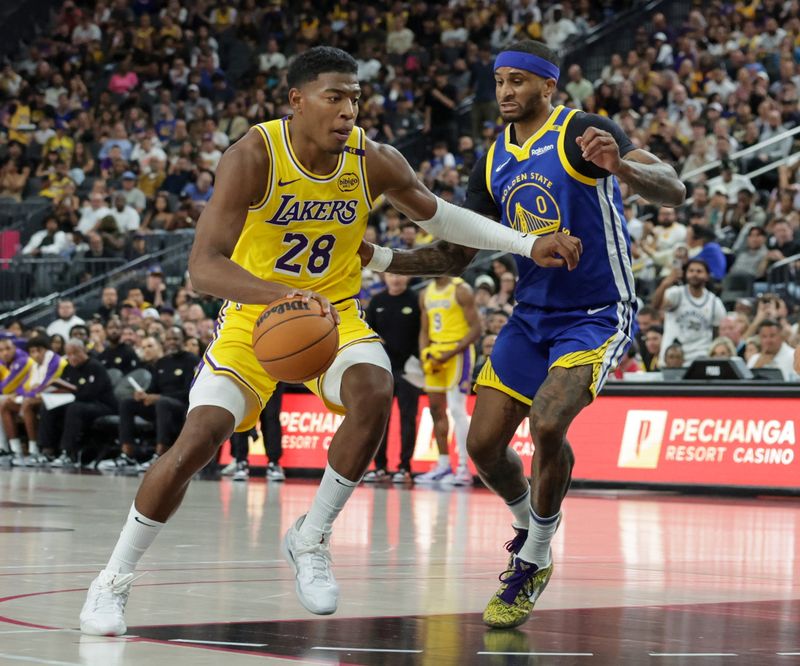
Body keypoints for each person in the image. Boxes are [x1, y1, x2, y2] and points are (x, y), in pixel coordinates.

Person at [79, 46, 579, 637]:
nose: (348, 110)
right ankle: (111, 580)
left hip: (335, 313)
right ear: (297, 101)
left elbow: (442, 218)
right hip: (253, 318)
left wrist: (526, 244)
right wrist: (279, 298)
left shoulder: (372, 158)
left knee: (376, 389)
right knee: (197, 442)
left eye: (355, 98)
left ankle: (311, 536)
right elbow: (204, 268)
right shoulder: (253, 155)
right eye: (334, 97)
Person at [360, 39, 684, 628]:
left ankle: (534, 555)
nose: (506, 91)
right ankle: (531, 520)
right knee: (482, 446)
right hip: (530, 314)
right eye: (500, 81)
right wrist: (379, 258)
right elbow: (457, 252)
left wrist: (624, 167)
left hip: (596, 311)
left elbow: (673, 188)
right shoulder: (492, 160)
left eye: (518, 81)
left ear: (547, 86)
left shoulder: (581, 130)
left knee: (548, 421)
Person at [415, 276, 480, 485]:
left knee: (457, 409)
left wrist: (450, 352)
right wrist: (425, 352)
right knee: (435, 409)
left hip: (458, 353)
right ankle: (443, 465)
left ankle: (463, 467)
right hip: (436, 351)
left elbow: (476, 329)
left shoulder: (460, 289)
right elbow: (424, 331)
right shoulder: (425, 293)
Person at [364, 273, 422, 483]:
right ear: (384, 277)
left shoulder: (416, 300)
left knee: (408, 419)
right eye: (391, 275)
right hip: (383, 370)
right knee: (379, 419)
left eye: (400, 275)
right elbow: (367, 331)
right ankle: (379, 467)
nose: (396, 279)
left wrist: (418, 359)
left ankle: (404, 467)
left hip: (409, 370)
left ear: (407, 277)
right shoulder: (378, 301)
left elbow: (424, 333)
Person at [41, 339, 116, 467]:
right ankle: (47, 450)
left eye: (75, 353)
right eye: (68, 354)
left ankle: (68, 453)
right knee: (48, 406)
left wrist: (74, 391)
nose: (72, 357)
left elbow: (92, 394)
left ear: (84, 351)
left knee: (74, 408)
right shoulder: (68, 368)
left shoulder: (95, 366)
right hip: (78, 403)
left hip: (102, 405)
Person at [0, 336, 67, 466]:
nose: (35, 354)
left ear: (46, 350)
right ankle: (15, 450)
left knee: (27, 404)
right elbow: (25, 386)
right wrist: (21, 393)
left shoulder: (56, 362)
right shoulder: (35, 365)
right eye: (32, 351)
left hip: (54, 398)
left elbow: (46, 385)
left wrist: (28, 392)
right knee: (5, 404)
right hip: (37, 397)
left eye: (38, 350)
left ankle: (34, 449)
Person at [651, 258, 726, 365]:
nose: (694, 274)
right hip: (672, 357)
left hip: (699, 358)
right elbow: (655, 306)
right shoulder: (677, 294)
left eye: (699, 271)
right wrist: (665, 284)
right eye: (691, 271)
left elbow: (718, 333)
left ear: (707, 276)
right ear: (686, 274)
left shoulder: (714, 302)